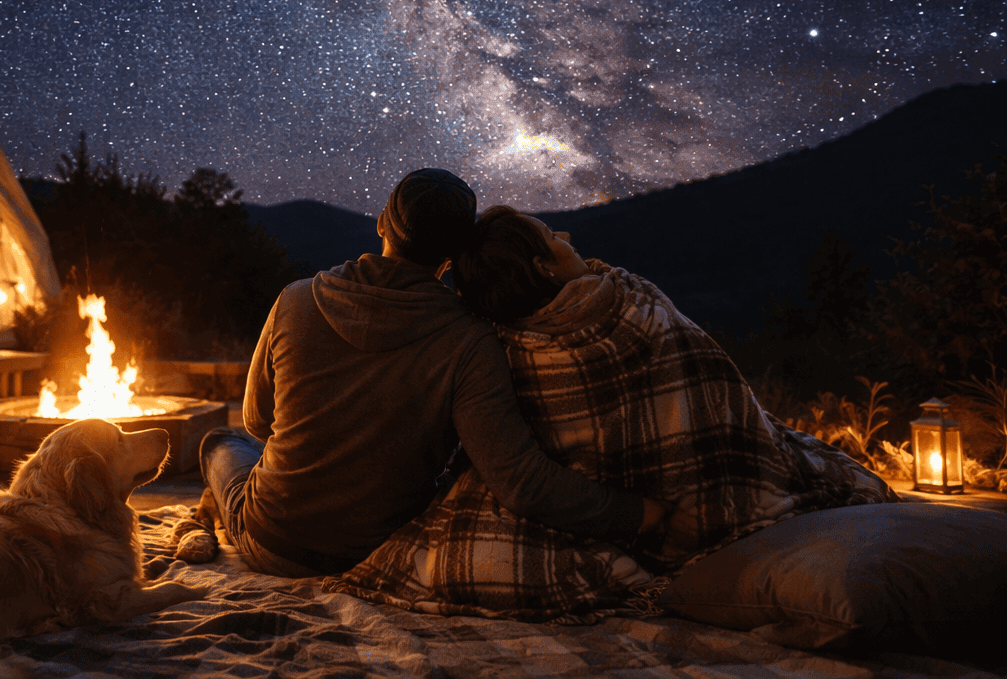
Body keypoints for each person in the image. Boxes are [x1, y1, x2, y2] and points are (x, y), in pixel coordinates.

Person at [322, 206, 898, 618]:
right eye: (553, 237)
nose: (568, 237)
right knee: (832, 470)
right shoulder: (638, 310)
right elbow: (718, 397)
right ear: (545, 267)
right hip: (679, 505)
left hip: (601, 511)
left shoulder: (493, 343)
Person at [198, 170, 668, 578]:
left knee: (222, 440)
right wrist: (638, 513)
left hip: (271, 542)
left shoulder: (296, 299)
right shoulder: (471, 339)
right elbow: (520, 481)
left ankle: (217, 507)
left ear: (381, 222)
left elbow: (258, 421)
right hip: (375, 549)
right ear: (455, 252)